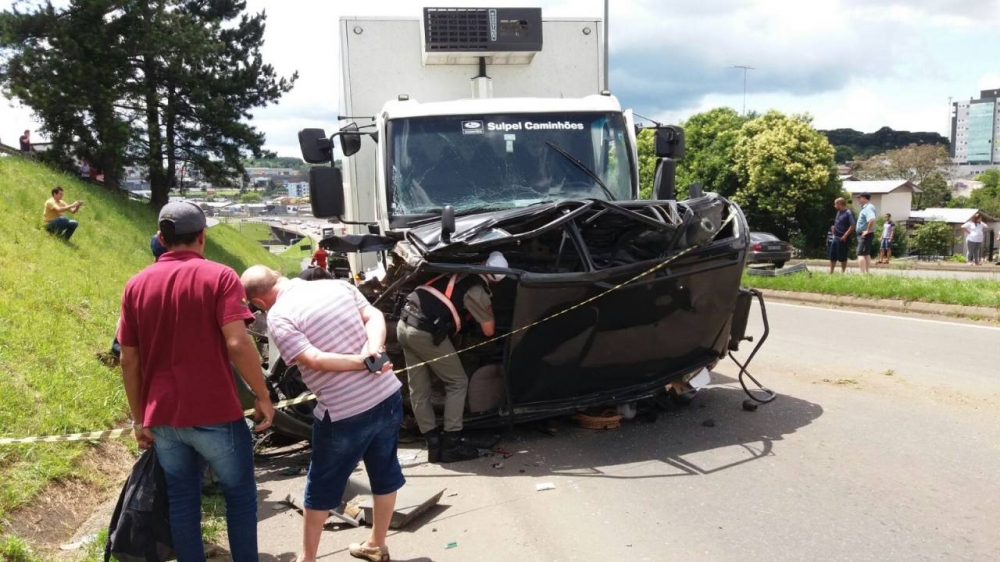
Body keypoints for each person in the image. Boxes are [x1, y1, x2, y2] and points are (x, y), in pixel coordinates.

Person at [117, 201, 275, 562]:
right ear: (202, 236)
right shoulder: (220, 276)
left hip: (164, 417)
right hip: (215, 411)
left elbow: (129, 358)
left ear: (161, 237)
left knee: (182, 499)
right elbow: (237, 342)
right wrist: (261, 394)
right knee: (239, 496)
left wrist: (139, 417)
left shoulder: (135, 285)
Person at [241, 266, 404, 562]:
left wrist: (361, 361)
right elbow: (374, 316)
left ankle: (308, 558)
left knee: (322, 483)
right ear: (278, 274)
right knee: (385, 470)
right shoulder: (335, 285)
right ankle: (377, 543)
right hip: (387, 394)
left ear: (259, 303)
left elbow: (312, 359)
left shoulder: (279, 316)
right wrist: (373, 350)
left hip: (344, 411)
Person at [396, 251, 507, 463]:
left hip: (404, 324)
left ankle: (433, 444)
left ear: (482, 263)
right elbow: (489, 330)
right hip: (424, 333)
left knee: (418, 388)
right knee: (457, 382)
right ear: (496, 280)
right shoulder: (477, 290)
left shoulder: (456, 271)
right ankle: (451, 444)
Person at [829, 197, 855, 274]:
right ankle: (831, 272)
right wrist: (834, 228)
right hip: (835, 237)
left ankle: (843, 272)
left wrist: (845, 235)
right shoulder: (838, 212)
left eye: (835, 204)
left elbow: (852, 225)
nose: (834, 206)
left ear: (839, 204)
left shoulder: (848, 213)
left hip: (842, 238)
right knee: (832, 256)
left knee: (842, 256)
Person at [854, 192, 877, 274]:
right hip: (865, 234)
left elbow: (871, 219)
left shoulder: (868, 207)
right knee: (866, 253)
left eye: (859, 198)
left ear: (864, 198)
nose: (858, 200)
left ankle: (863, 274)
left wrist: (867, 230)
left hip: (865, 234)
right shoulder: (866, 208)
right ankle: (867, 273)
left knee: (860, 253)